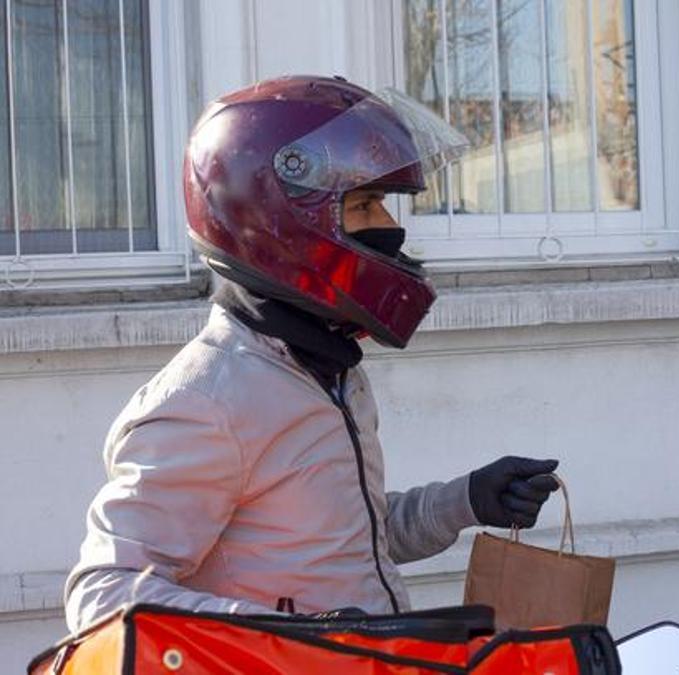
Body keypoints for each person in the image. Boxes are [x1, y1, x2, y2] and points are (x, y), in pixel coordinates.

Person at [64, 76, 560, 631]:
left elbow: (342, 543)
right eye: (368, 204)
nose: (391, 228)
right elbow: (102, 594)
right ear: (281, 220)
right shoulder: (206, 400)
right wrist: (300, 636)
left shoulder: (327, 370)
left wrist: (465, 500)